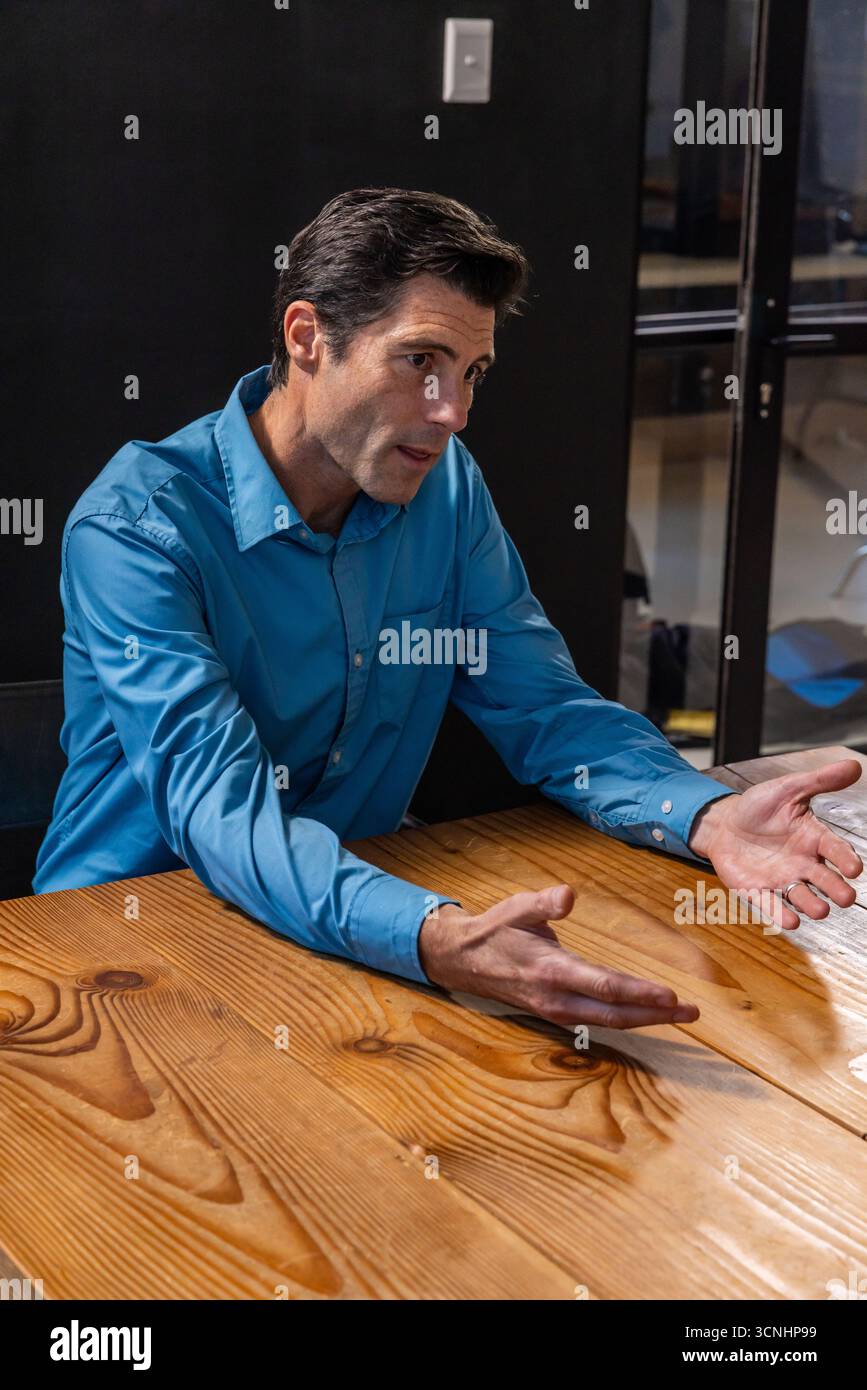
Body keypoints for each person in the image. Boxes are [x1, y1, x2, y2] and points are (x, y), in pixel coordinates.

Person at [34, 187, 863, 1032]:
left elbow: (542, 704)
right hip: (120, 957)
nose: (453, 413)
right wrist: (427, 934)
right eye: (418, 362)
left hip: (349, 932)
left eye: (471, 374)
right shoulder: (136, 528)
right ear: (307, 337)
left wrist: (703, 812)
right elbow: (222, 814)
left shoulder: (443, 485)